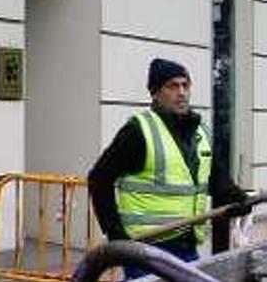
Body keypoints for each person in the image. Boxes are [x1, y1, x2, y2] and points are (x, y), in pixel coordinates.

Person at [88, 58, 251, 279]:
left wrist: (234, 196)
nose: (182, 92)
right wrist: (116, 234)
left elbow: (215, 178)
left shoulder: (200, 132)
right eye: (173, 86)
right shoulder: (138, 132)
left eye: (185, 85)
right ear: (155, 93)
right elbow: (99, 179)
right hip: (146, 252)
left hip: (187, 245)